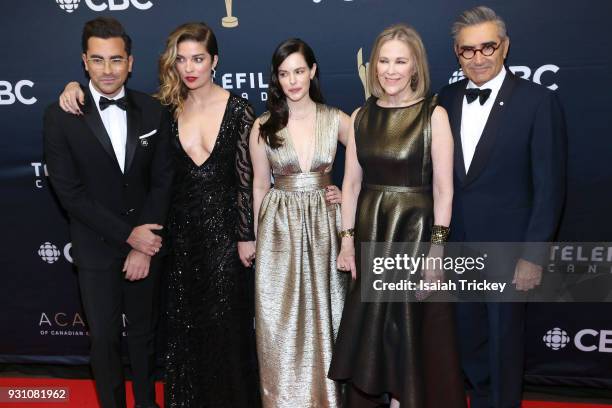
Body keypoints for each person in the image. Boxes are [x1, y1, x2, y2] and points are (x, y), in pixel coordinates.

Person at [58, 22, 260, 408]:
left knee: (227, 331)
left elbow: (248, 180)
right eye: (181, 59)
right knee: (182, 334)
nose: (189, 67)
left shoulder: (240, 108)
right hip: (177, 240)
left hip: (224, 241)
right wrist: (72, 88)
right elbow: (159, 178)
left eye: (198, 59)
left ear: (214, 61)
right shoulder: (164, 108)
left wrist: (245, 234)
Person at [329, 24, 466, 407]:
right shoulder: (361, 115)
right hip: (372, 230)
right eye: (384, 61)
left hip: (415, 233)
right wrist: (346, 240)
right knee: (373, 328)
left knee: (410, 327)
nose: (391, 70)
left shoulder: (433, 115)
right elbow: (351, 185)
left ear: (415, 67)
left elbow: (443, 189)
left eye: (400, 61)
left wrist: (437, 250)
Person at [437, 6, 566, 408]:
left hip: (510, 252)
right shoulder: (445, 98)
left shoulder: (537, 102)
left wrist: (533, 256)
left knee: (505, 346)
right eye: (467, 51)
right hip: (458, 245)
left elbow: (550, 187)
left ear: (505, 47)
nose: (478, 58)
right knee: (468, 342)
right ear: (457, 54)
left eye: (487, 47)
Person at [44, 17, 173, 408]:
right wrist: (127, 235)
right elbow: (70, 193)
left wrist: (142, 243)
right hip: (96, 248)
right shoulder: (60, 116)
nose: (107, 69)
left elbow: (163, 181)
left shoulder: (154, 111)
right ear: (85, 61)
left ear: (130, 63)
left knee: (144, 337)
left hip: (146, 244)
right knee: (103, 340)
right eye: (98, 60)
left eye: (116, 60)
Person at [249, 38, 350, 407]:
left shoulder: (337, 119)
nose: (292, 80)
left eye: (299, 71)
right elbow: (260, 185)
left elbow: (365, 169)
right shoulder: (263, 125)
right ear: (276, 78)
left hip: (327, 226)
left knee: (330, 316)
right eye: (284, 73)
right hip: (280, 229)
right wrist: (261, 243)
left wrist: (349, 195)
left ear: (313, 71)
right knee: (281, 323)